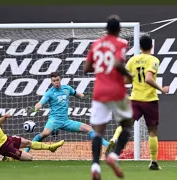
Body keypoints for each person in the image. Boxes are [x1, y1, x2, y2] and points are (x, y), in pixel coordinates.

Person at [107, 35, 169, 170]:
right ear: (151, 46)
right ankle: (153, 162)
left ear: (139, 47)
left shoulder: (133, 60)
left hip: (135, 98)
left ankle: (114, 138)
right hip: (150, 100)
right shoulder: (153, 60)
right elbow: (148, 78)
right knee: (152, 131)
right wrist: (162, 89)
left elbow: (126, 80)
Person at [84, 15, 133, 180]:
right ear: (119, 30)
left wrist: (100, 67)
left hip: (99, 92)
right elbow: (119, 63)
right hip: (116, 91)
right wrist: (128, 75)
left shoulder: (96, 44)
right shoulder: (120, 44)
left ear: (106, 29)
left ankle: (95, 165)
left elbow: (86, 68)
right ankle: (114, 156)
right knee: (126, 125)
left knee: (98, 132)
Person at [24, 72, 109, 153]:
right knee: (45, 134)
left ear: (60, 79)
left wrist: (90, 95)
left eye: (57, 80)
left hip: (66, 121)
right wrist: (35, 108)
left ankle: (108, 145)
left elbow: (79, 95)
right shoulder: (49, 93)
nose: (56, 82)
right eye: (54, 81)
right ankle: (25, 151)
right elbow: (40, 103)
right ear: (51, 82)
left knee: (88, 128)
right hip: (53, 121)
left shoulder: (67, 88)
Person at [0, 103, 64, 161]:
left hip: (7, 139)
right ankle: (9, 158)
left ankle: (51, 147)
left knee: (28, 142)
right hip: (3, 147)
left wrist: (4, 117)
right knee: (29, 158)